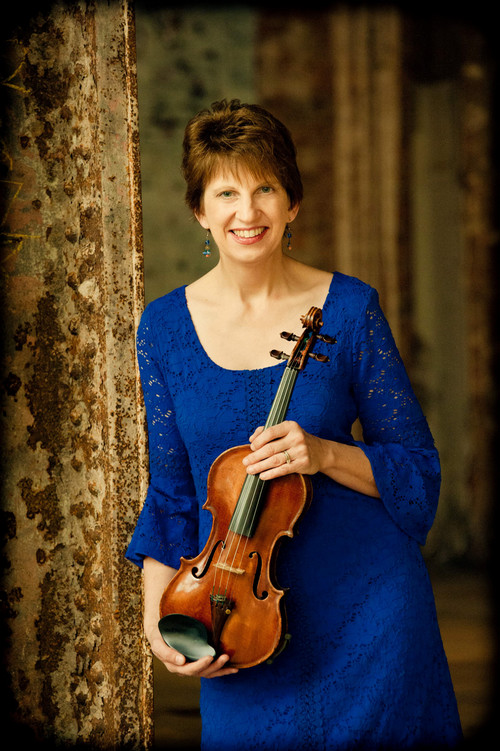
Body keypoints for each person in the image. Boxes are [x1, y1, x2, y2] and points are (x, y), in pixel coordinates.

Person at [126, 99, 463, 749]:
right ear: (200, 210)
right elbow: (170, 495)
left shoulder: (351, 307)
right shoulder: (163, 328)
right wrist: (156, 623)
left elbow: (418, 467)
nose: (247, 212)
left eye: (266, 189)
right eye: (226, 192)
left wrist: (325, 454)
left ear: (293, 203)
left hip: (371, 615)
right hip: (235, 621)